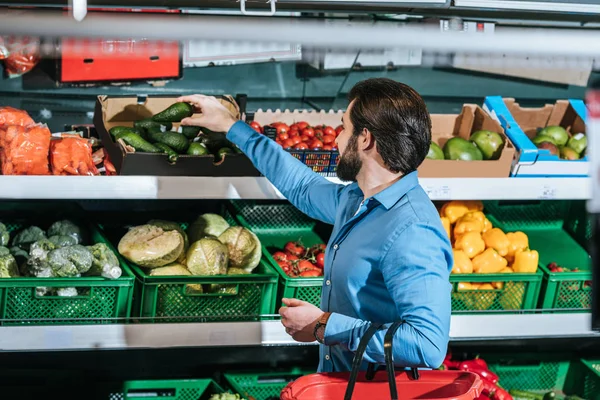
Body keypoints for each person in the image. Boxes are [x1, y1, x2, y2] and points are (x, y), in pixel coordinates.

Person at [177, 77, 452, 373]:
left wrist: (323, 325)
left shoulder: (412, 230)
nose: (336, 138)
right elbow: (302, 186)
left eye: (344, 128)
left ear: (365, 139)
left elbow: (427, 344)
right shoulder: (357, 199)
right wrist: (232, 127)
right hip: (342, 385)